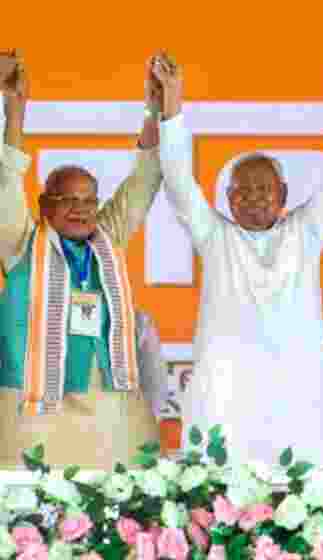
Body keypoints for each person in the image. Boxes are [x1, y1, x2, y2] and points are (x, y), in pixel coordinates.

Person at [151, 50, 323, 466]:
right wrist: (172, 103)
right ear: (227, 199)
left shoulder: (305, 230)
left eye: (264, 190)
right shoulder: (215, 236)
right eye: (242, 192)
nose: (254, 199)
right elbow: (178, 181)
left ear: (283, 195)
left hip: (301, 396)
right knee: (220, 507)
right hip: (228, 394)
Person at [0, 53, 164, 468]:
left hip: (109, 410)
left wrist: (155, 111)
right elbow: (5, 184)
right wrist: (14, 116)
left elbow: (143, 182)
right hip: (36, 407)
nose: (81, 209)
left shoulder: (107, 237)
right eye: (67, 200)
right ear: (44, 205)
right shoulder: (22, 242)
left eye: (89, 200)